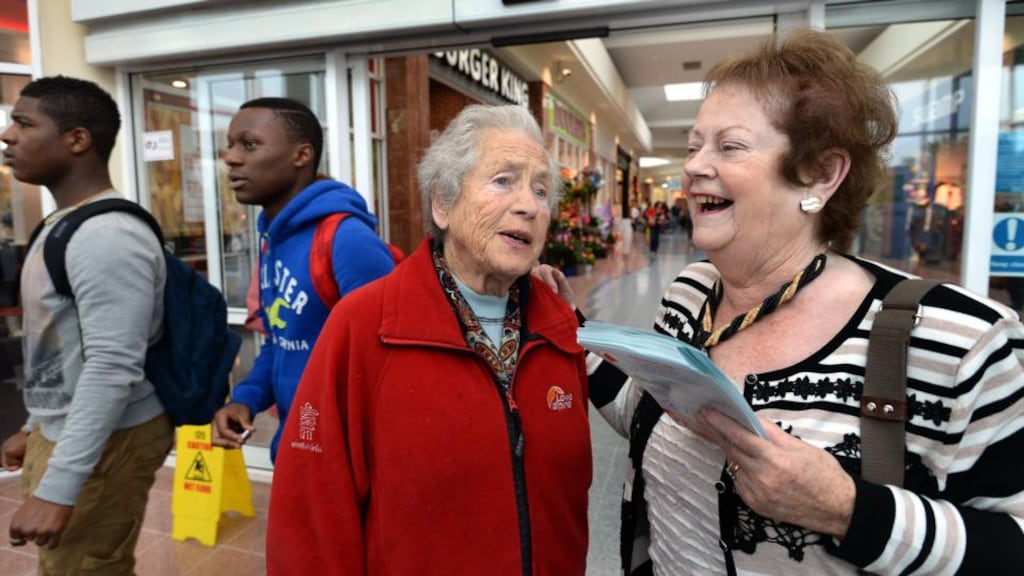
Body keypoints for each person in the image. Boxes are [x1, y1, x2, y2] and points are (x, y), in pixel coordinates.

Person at [578, 30, 1024, 574]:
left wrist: (849, 511)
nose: (694, 166)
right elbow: (647, 409)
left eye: (730, 146)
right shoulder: (691, 293)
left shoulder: (957, 341)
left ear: (820, 174)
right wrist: (564, 323)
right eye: (694, 145)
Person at [266, 104, 591, 575]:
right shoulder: (364, 325)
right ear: (443, 201)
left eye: (541, 190)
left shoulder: (557, 325)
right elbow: (311, 518)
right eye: (504, 180)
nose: (528, 205)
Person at [0, 75, 173, 574]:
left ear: (77, 140)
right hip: (71, 429)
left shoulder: (106, 235)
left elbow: (113, 366)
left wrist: (59, 487)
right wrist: (36, 425)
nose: (8, 135)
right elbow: (60, 347)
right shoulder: (63, 223)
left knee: (84, 570)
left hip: (110, 440)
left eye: (24, 123)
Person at [210, 97, 394, 461]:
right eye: (230, 145)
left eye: (249, 144)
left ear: (302, 155)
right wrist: (246, 398)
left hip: (344, 459)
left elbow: (390, 359)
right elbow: (285, 342)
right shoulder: (273, 241)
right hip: (298, 448)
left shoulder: (346, 239)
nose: (230, 157)